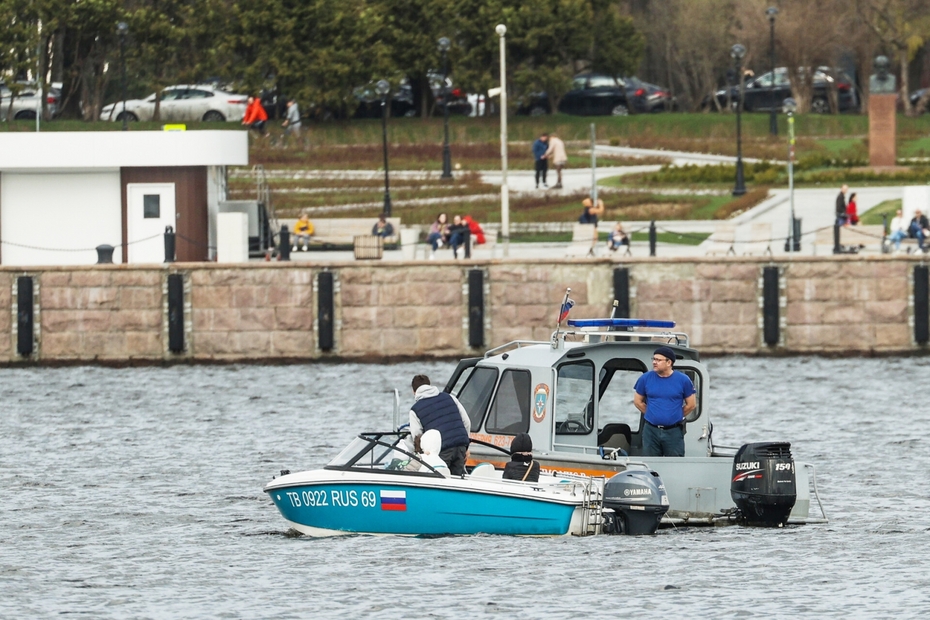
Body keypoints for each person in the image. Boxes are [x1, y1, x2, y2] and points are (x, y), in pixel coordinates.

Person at [633, 346, 696, 458]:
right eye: (654, 359)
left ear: (669, 362)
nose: (654, 362)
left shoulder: (683, 380)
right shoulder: (645, 378)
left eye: (658, 360)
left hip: (674, 431)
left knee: (675, 464)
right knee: (650, 464)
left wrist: (674, 415)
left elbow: (691, 405)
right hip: (651, 431)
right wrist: (652, 414)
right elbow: (638, 401)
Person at [409, 374, 471, 476]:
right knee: (458, 480)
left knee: (440, 480)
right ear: (429, 385)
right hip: (460, 445)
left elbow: (417, 437)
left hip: (442, 450)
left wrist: (424, 455)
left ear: (414, 392)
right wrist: (466, 446)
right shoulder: (450, 397)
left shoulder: (415, 410)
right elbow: (467, 422)